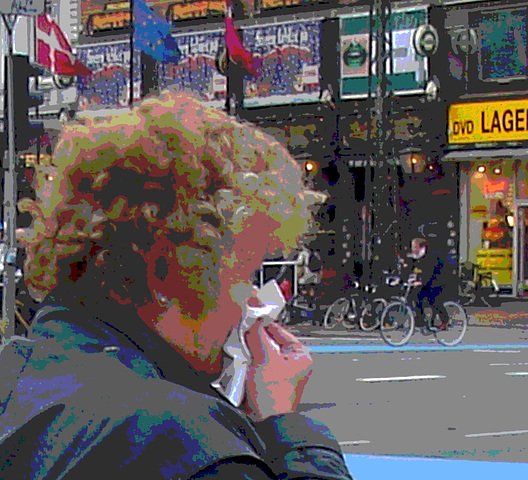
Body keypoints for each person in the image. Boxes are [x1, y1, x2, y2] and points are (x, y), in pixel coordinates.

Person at [0, 91, 353, 479]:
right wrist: (289, 429)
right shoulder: (183, 439)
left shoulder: (14, 372)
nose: (254, 300)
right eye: (244, 276)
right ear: (179, 275)